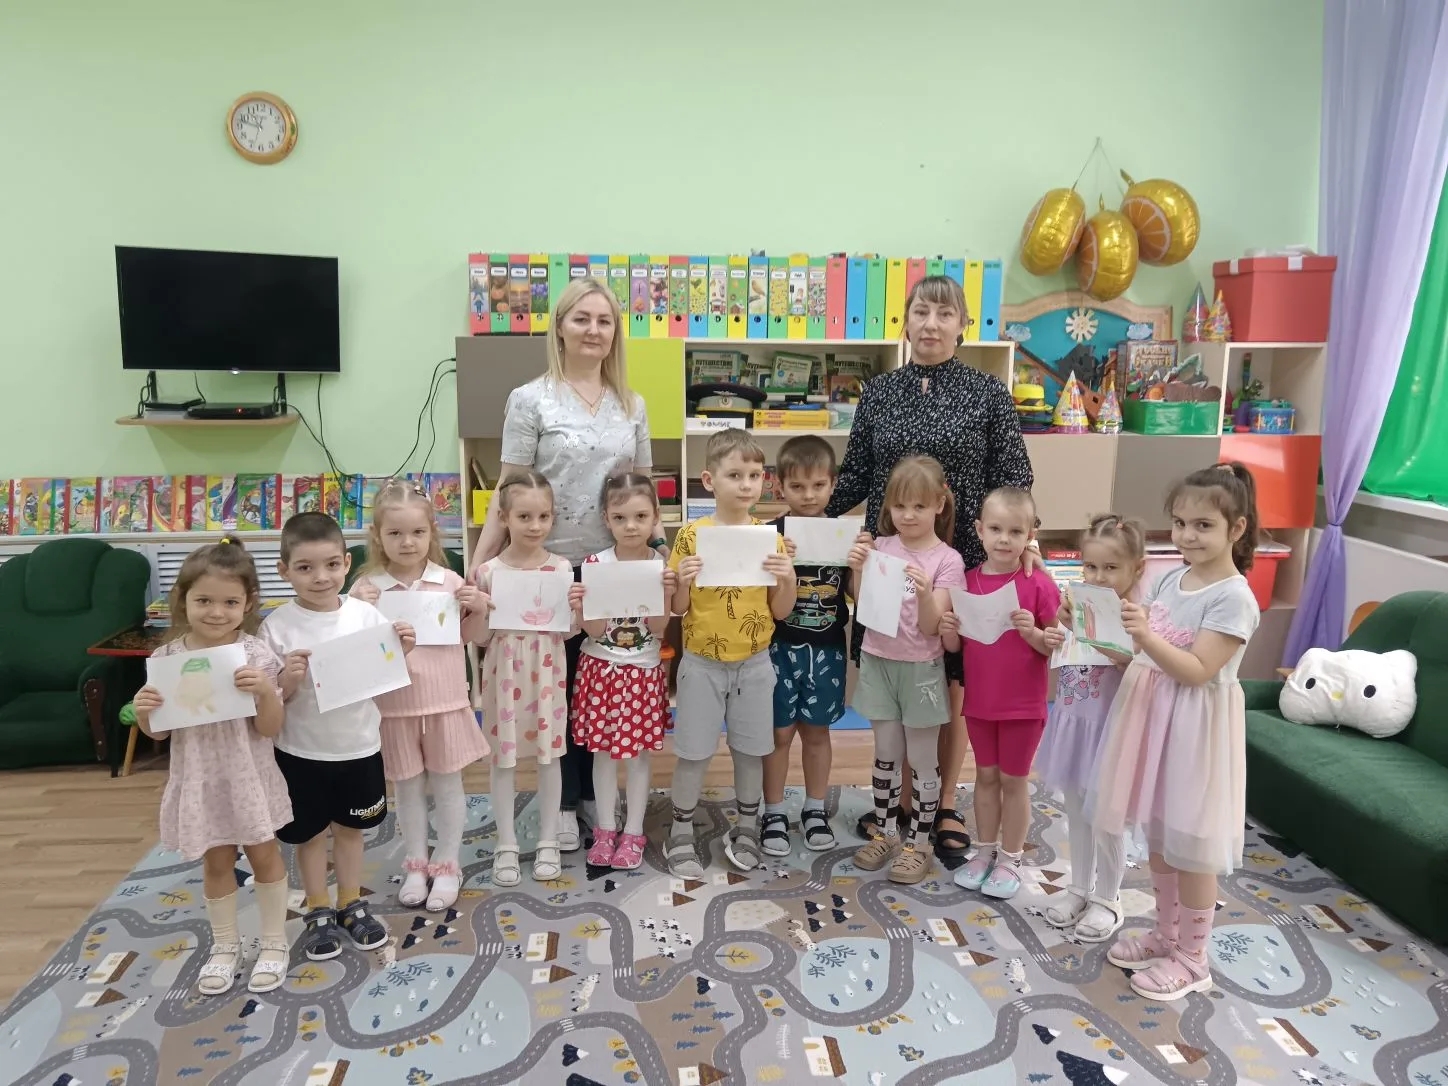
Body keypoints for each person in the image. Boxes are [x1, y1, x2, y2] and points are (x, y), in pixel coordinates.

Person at [828, 274, 1035, 857]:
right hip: (889, 562)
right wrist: (805, 522)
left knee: (950, 686)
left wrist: (1027, 543)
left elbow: (1014, 479)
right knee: (895, 677)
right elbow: (856, 475)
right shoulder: (879, 392)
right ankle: (895, 804)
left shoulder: (988, 393)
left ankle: (941, 804)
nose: (932, 324)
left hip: (961, 562)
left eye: (945, 314)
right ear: (905, 321)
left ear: (963, 325)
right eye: (921, 312)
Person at [472, 277, 658, 853]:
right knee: (555, 687)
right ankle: (563, 801)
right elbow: (509, 488)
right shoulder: (530, 399)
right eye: (582, 319)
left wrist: (658, 556)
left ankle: (592, 799)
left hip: (613, 566)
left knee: (599, 683)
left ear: (615, 333)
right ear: (559, 327)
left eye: (604, 321)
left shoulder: (632, 404)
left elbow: (641, 487)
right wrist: (480, 563)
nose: (593, 330)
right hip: (543, 567)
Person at [1081, 463, 1261, 1001]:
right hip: (1151, 719)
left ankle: (1194, 957)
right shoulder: (1168, 578)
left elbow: (1198, 669)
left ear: (1236, 528)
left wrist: (1144, 635)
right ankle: (1166, 933)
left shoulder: (1234, 597)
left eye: (1203, 525)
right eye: (1180, 523)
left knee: (1193, 847)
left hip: (1194, 730)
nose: (1187, 535)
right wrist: (1088, 629)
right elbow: (1139, 653)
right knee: (1160, 836)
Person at [133, 537, 292, 995]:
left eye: (229, 602)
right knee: (217, 860)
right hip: (200, 780)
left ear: (247, 604)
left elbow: (271, 727)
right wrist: (144, 711)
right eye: (203, 600)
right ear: (182, 599)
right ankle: (225, 946)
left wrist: (265, 692)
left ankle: (274, 941)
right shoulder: (165, 660)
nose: (216, 612)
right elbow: (157, 734)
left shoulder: (256, 656)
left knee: (264, 855)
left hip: (250, 777)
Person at [261, 512, 417, 961]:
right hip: (299, 750)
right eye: (305, 567)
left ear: (347, 563)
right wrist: (287, 680)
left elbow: (384, 676)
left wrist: (402, 651)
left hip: (358, 746)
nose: (321, 577)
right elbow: (269, 700)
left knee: (351, 830)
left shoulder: (365, 615)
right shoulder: (276, 627)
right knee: (309, 835)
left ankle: (351, 902)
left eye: (331, 564)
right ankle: (318, 909)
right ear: (284, 570)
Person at [349, 479, 489, 912]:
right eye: (395, 533)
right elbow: (351, 651)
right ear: (377, 536)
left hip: (444, 701)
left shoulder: (449, 582)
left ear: (432, 533)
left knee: (447, 784)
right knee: (406, 789)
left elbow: (472, 637)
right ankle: (416, 863)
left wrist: (478, 608)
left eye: (417, 532)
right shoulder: (367, 588)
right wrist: (352, 606)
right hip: (394, 707)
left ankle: (447, 863)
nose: (407, 542)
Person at [668, 428, 796, 877]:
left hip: (755, 665)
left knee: (751, 751)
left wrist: (788, 578)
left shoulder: (770, 539)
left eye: (755, 475)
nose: (746, 484)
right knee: (693, 752)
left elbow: (780, 611)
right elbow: (677, 608)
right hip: (701, 664)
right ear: (709, 480)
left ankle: (746, 828)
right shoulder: (690, 535)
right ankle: (680, 830)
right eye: (735, 475)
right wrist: (682, 581)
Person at [847, 455, 965, 885]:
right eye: (899, 506)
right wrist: (858, 568)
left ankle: (919, 844)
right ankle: (886, 833)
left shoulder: (948, 560)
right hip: (878, 661)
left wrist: (927, 592)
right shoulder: (881, 547)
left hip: (921, 670)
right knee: (885, 754)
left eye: (918, 506)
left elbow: (934, 627)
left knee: (922, 758)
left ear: (939, 504)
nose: (908, 515)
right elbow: (864, 607)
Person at [468, 471, 582, 886]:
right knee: (504, 759)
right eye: (524, 517)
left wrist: (577, 609)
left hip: (548, 673)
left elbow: (567, 632)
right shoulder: (487, 572)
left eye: (544, 517)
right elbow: (479, 638)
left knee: (550, 757)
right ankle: (507, 843)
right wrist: (477, 610)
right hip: (503, 673)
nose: (535, 526)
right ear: (504, 518)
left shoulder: (561, 568)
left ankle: (548, 839)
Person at [1036, 514, 1145, 942]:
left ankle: (1108, 898)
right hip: (1072, 724)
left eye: (1111, 568)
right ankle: (1079, 888)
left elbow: (1138, 667)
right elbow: (1063, 654)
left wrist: (1113, 645)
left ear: (1136, 568)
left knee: (1107, 818)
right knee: (1077, 811)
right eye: (1091, 566)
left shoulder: (1136, 616)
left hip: (1108, 732)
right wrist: (1058, 630)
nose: (1098, 577)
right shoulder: (1076, 607)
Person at [948, 487, 1061, 900]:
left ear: (1030, 535)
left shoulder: (1039, 584)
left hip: (1023, 706)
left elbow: (1057, 646)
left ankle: (1011, 859)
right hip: (980, 702)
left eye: (1015, 531)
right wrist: (948, 632)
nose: (1004, 539)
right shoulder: (966, 582)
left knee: (1014, 781)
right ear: (979, 530)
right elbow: (958, 646)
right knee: (985, 777)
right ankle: (984, 852)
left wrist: (1032, 633)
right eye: (995, 529)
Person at [572, 473, 676, 870]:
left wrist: (666, 593)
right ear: (606, 518)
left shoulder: (660, 566)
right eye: (620, 518)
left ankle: (633, 832)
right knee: (602, 754)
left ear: (655, 517)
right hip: (601, 669)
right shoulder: (595, 565)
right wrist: (581, 608)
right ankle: (605, 829)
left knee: (637, 757)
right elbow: (596, 630)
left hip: (642, 672)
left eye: (640, 516)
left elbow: (658, 629)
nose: (630, 526)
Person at [761, 435, 856, 856]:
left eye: (818, 485)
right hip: (777, 649)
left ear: (833, 484)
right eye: (797, 486)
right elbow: (759, 598)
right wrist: (775, 560)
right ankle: (774, 811)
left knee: (817, 733)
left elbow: (857, 594)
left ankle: (815, 809)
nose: (809, 495)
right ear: (780, 485)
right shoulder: (770, 534)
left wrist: (859, 564)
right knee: (778, 734)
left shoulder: (845, 534)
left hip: (828, 649)